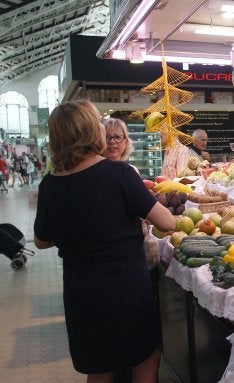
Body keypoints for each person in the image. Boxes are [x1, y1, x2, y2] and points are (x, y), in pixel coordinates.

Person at [33, 100, 176, 383]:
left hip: (81, 292)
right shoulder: (119, 173)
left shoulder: (50, 183)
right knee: (144, 363)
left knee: (98, 369)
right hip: (125, 289)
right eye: (98, 121)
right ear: (89, 130)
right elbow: (167, 223)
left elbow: (41, 241)